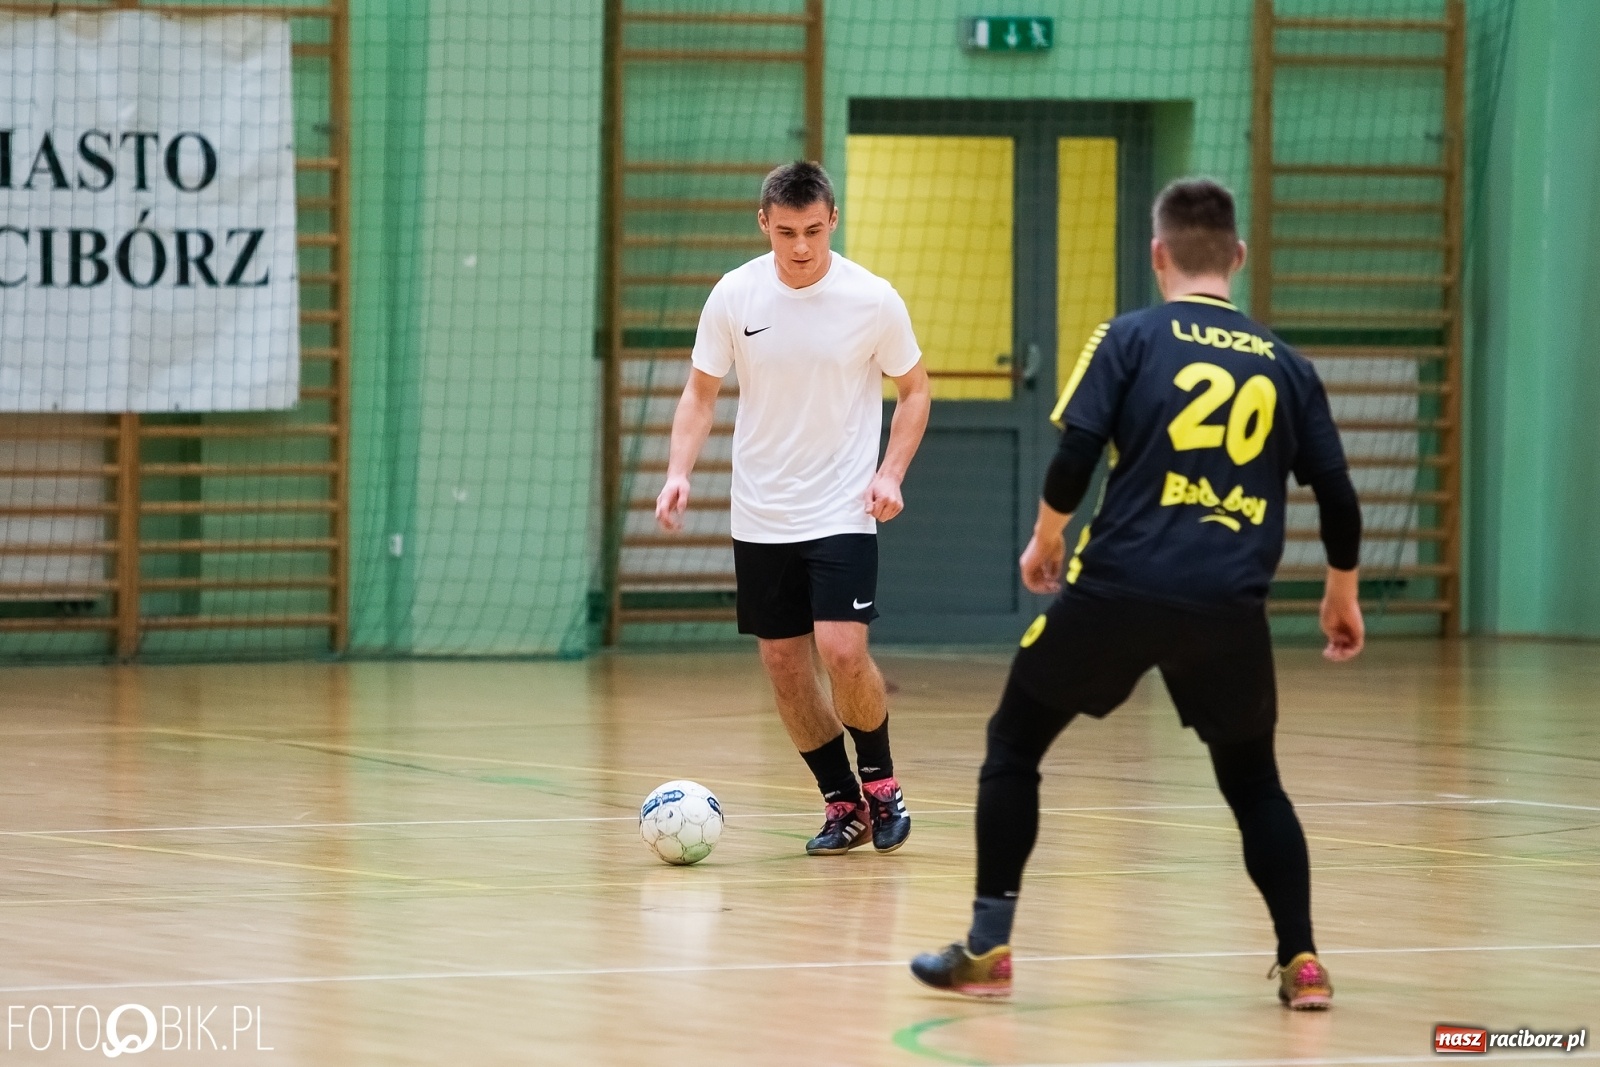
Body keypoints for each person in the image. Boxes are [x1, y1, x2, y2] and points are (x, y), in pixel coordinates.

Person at [908, 177, 1364, 1010]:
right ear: (1239, 256)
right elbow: (1338, 495)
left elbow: (1076, 455)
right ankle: (1301, 961)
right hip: (1228, 607)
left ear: (1157, 255)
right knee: (1255, 782)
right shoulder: (1288, 366)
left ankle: (988, 943)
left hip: (1118, 591)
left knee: (1014, 743)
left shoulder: (1128, 336)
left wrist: (1047, 537)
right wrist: (1342, 589)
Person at [656, 160, 932, 856]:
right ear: (763, 225)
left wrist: (891, 472)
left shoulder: (872, 299)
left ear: (832, 221)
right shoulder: (734, 295)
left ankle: (882, 784)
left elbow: (915, 389)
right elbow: (699, 392)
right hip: (760, 512)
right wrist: (678, 472)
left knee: (841, 647)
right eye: (786, 232)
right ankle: (840, 801)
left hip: (842, 505)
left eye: (813, 230)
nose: (801, 246)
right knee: (783, 664)